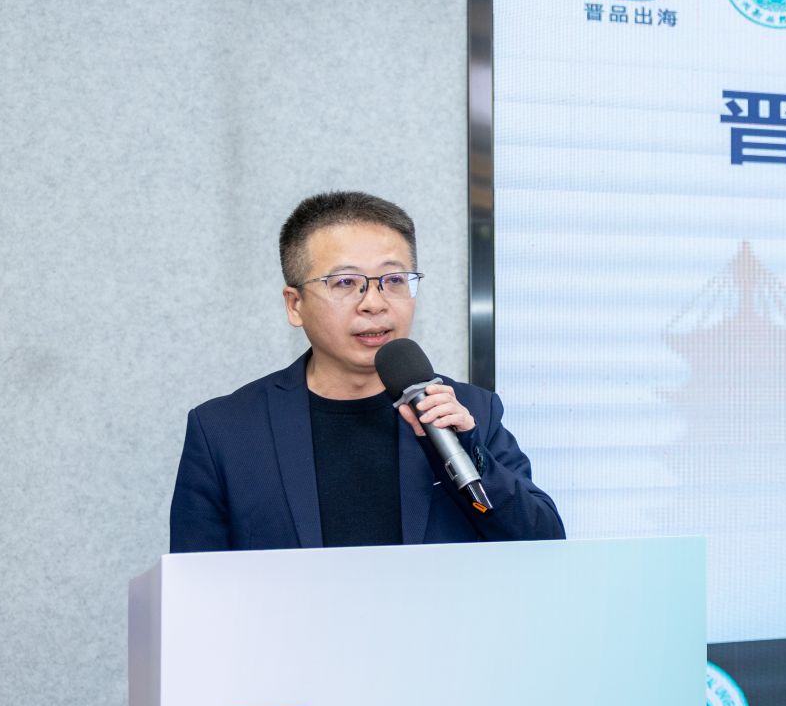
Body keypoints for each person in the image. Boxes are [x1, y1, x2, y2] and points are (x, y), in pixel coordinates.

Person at [170, 191, 564, 551]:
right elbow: (194, 587)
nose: (374, 303)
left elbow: (544, 545)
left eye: (394, 280)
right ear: (295, 305)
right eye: (345, 282)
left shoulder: (468, 412)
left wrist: (469, 452)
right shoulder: (225, 431)